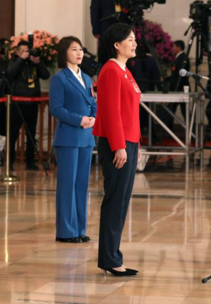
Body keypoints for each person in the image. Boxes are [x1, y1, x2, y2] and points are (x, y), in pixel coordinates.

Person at [93, 23, 141, 277]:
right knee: (114, 201)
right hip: (117, 143)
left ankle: (113, 256)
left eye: (135, 39)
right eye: (130, 40)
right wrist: (120, 146)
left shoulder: (125, 71)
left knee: (121, 202)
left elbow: (130, 112)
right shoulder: (110, 70)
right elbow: (110, 112)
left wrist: (136, 144)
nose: (134, 44)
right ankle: (110, 259)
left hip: (128, 142)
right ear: (116, 44)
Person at [49, 36, 96, 244]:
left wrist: (93, 117)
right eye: (74, 49)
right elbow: (56, 109)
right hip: (68, 138)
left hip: (86, 138)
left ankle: (79, 228)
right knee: (67, 184)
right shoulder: (59, 78)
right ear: (64, 53)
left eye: (81, 50)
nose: (79, 53)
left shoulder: (86, 77)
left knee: (81, 185)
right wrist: (79, 120)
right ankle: (65, 231)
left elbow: (92, 101)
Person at [7, 40, 51, 170]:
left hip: (32, 103)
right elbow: (10, 73)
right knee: (13, 134)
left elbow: (46, 75)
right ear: (18, 52)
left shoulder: (34, 63)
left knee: (31, 134)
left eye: (28, 50)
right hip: (17, 104)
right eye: (24, 51)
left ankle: (30, 162)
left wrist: (38, 62)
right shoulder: (15, 62)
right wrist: (21, 59)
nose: (27, 53)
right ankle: (9, 162)